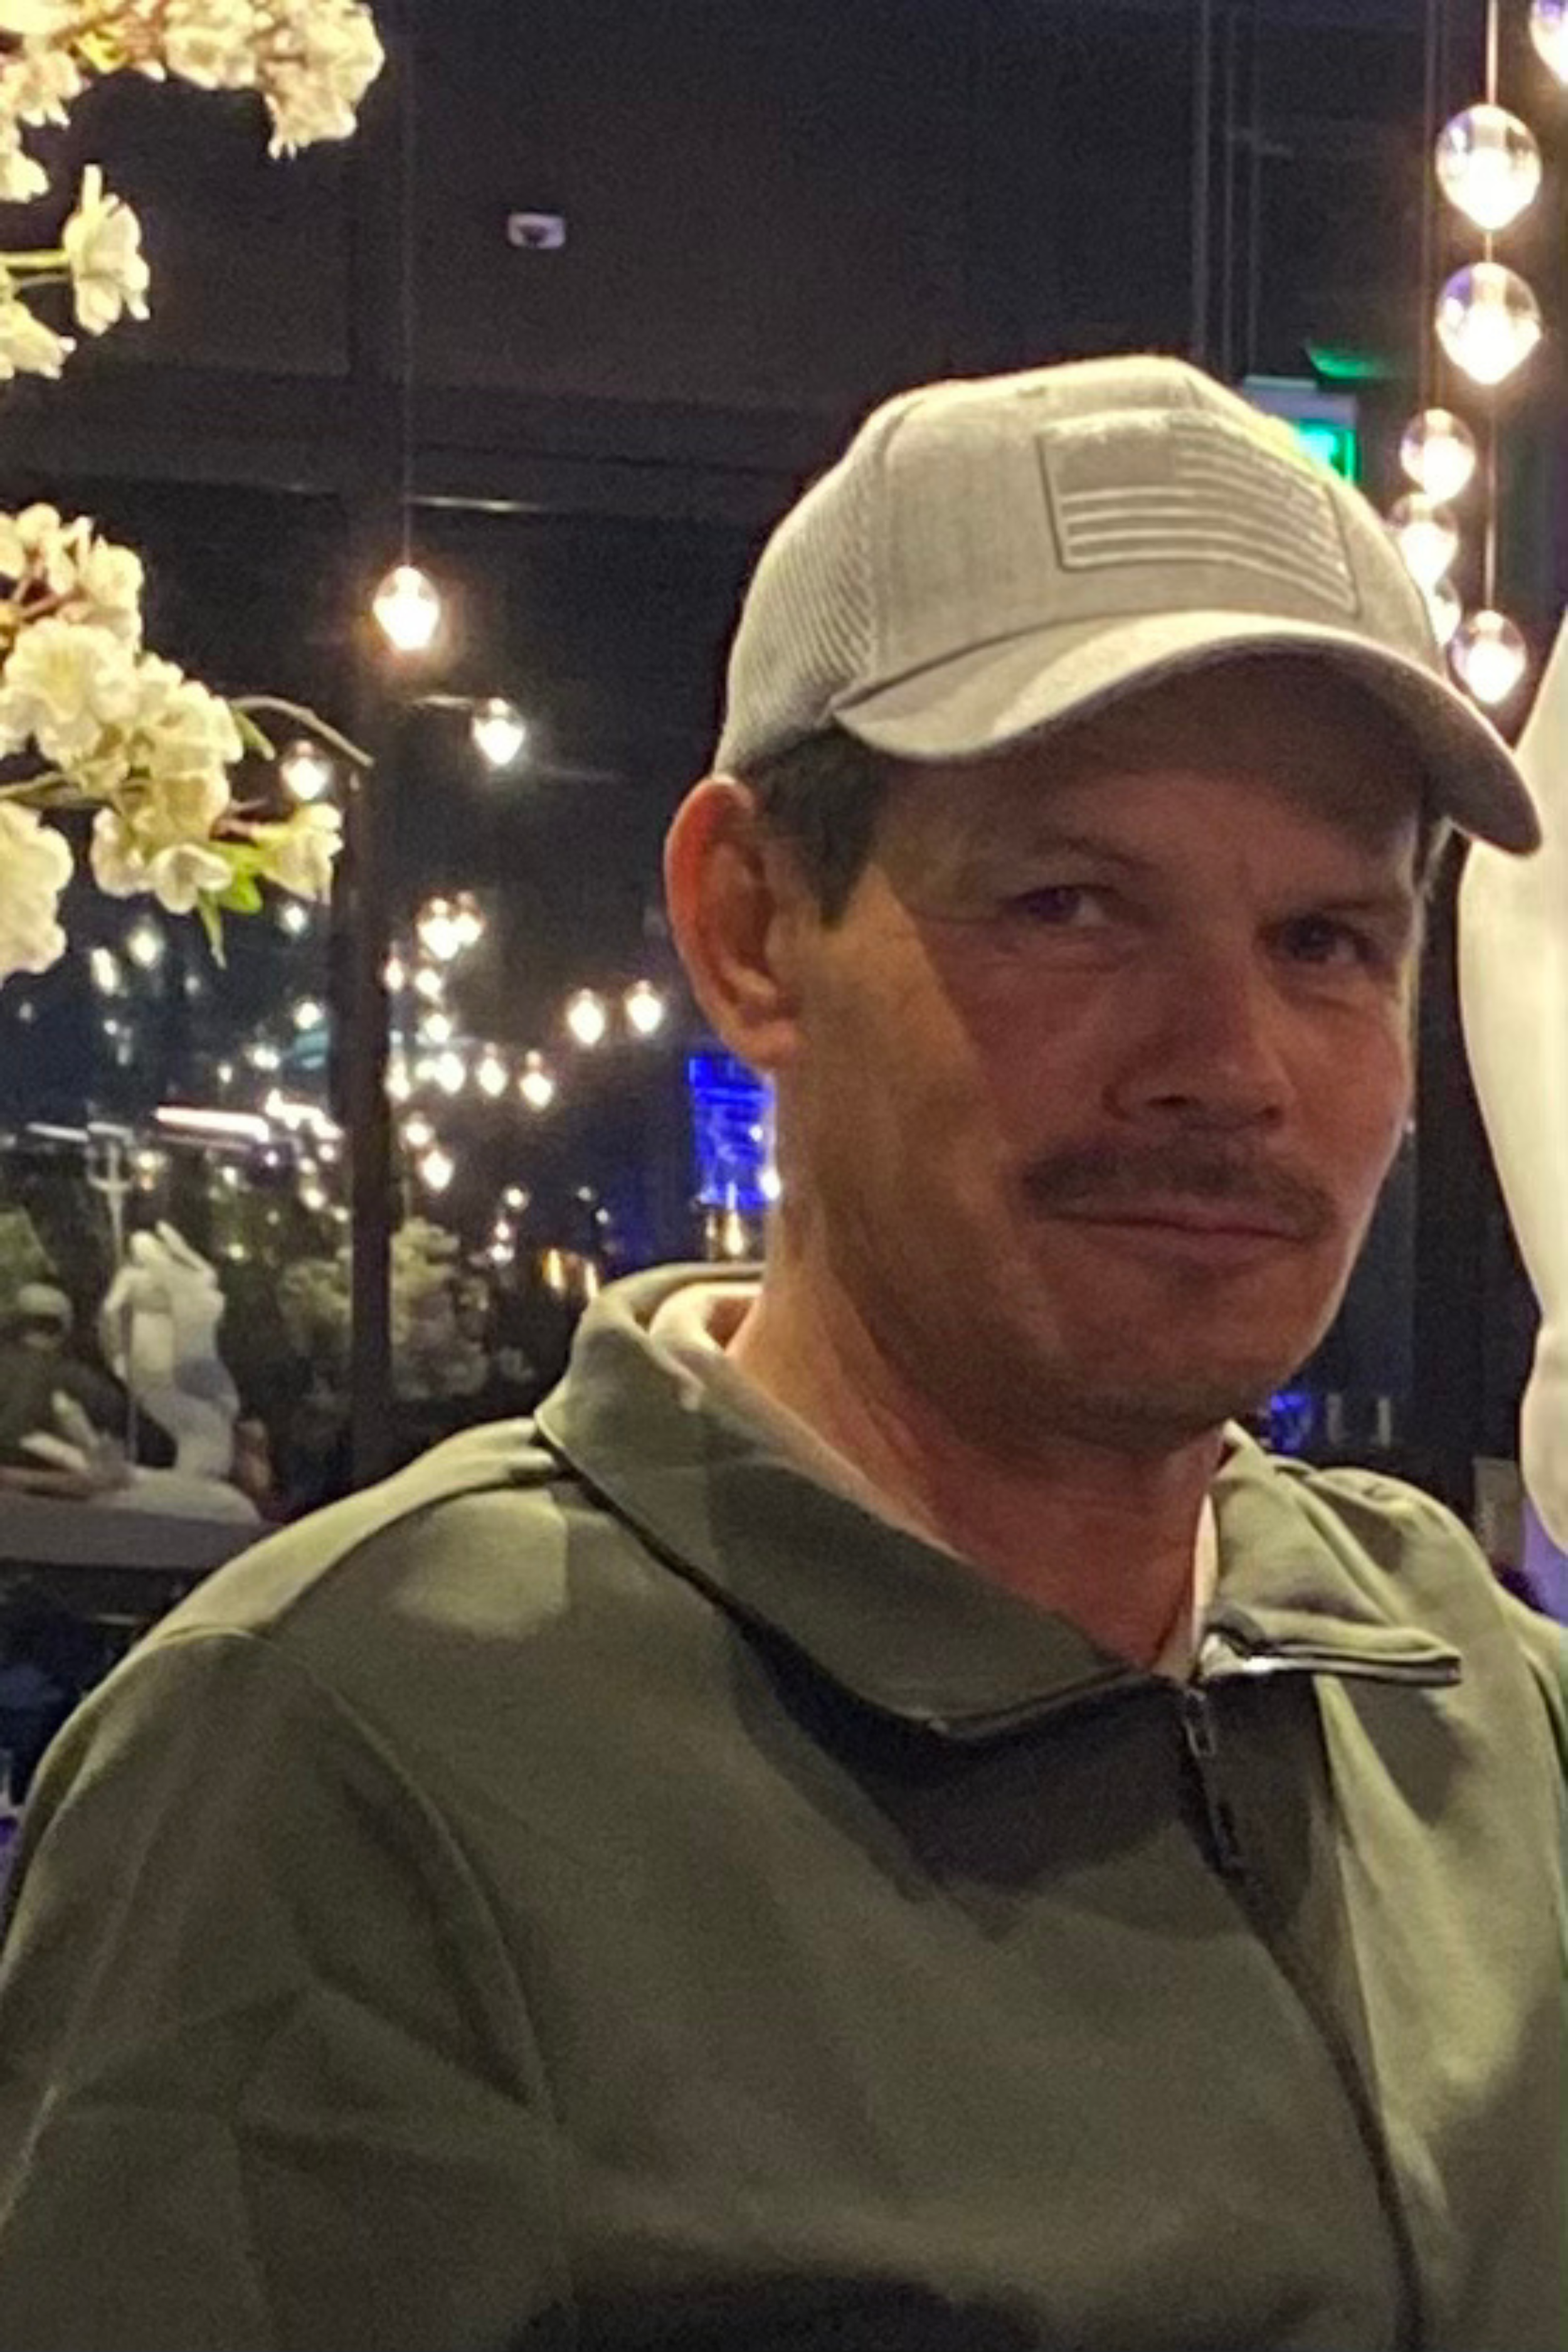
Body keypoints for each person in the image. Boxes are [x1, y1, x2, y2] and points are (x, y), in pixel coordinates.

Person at [0, 356, 1560, 2352]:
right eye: (1071, 903)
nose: (1228, 1068)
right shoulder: (348, 1756)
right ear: (750, 927)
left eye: (1324, 942)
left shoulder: (1468, 1704)